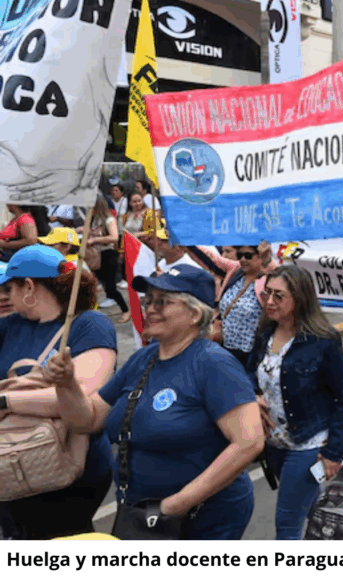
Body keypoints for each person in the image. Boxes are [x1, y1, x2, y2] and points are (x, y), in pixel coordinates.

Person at [49, 265, 264, 539]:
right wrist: (66, 383)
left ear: (195, 314)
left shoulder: (213, 363)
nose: (150, 309)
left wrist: (176, 504)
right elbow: (86, 420)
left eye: (163, 302)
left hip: (201, 518)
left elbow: (249, 442)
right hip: (142, 512)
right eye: (148, 301)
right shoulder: (143, 358)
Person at [0, 246, 117, 539]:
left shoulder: (90, 324)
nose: (5, 297)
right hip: (11, 460)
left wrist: (6, 401)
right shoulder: (11, 326)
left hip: (65, 467)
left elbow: (81, 399)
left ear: (29, 286)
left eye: (8, 288)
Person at [246, 266, 343, 540]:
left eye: (279, 296)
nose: (269, 301)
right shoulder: (264, 333)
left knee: (287, 525)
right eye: (266, 293)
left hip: (308, 447)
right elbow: (248, 373)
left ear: (299, 299)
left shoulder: (323, 340)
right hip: (273, 446)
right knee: (312, 506)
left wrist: (334, 452)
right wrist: (253, 395)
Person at [217, 245, 268, 365]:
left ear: (260, 256)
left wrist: (267, 259)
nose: (243, 259)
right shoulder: (236, 273)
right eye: (240, 255)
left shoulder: (268, 281)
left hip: (249, 355)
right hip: (224, 348)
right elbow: (211, 258)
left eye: (248, 255)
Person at [85, 195, 130, 323]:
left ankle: (126, 310)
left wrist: (94, 240)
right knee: (99, 285)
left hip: (108, 255)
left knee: (111, 288)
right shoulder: (95, 219)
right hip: (98, 255)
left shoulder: (109, 219)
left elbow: (114, 237)